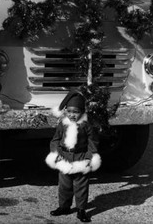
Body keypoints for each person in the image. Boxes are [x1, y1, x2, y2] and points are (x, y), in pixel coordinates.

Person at [45, 90, 101, 222]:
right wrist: (56, 153)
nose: (72, 115)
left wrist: (89, 157)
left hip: (81, 158)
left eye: (75, 112)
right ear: (65, 111)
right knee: (64, 186)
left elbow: (93, 142)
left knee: (81, 186)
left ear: (81, 112)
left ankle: (81, 210)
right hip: (64, 157)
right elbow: (55, 140)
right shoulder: (63, 124)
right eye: (69, 111)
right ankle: (64, 207)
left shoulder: (86, 125)